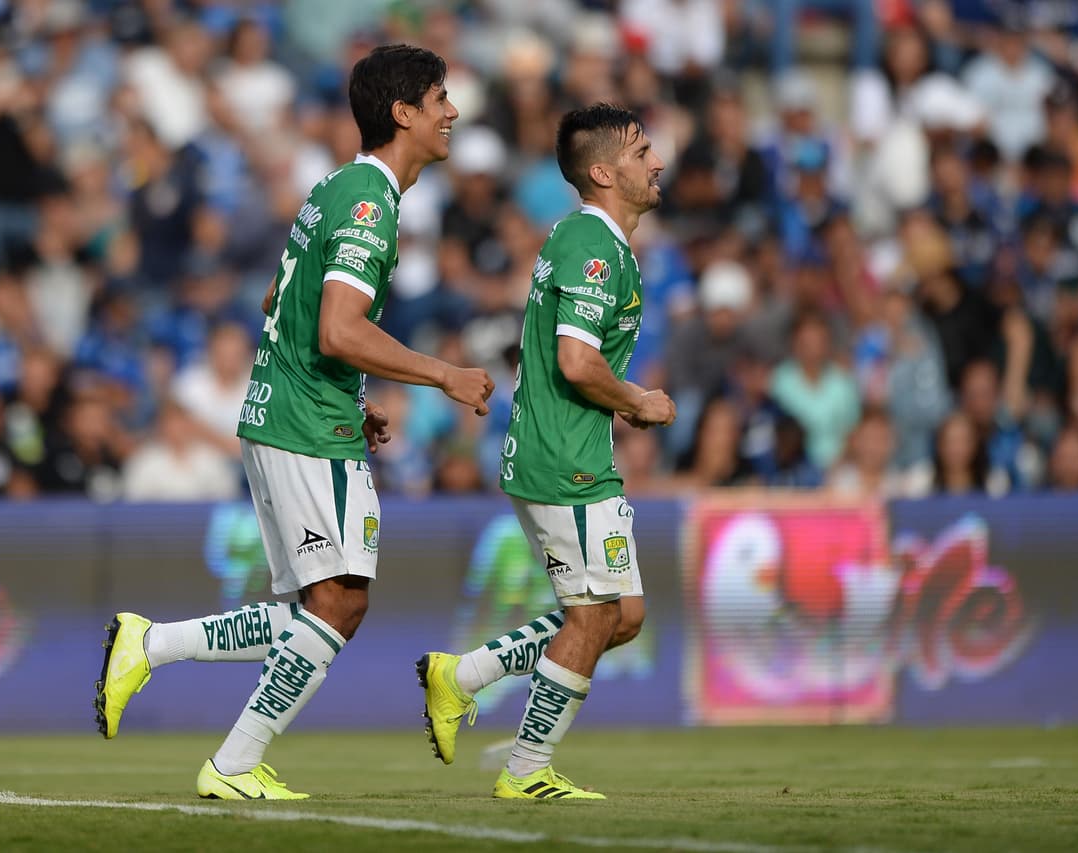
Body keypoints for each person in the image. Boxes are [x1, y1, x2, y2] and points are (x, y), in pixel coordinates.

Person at [93, 44, 494, 801]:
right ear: (403, 113)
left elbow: (285, 305)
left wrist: (355, 392)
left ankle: (152, 643)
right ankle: (233, 762)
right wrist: (441, 372)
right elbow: (338, 326)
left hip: (294, 410)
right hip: (305, 424)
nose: (453, 112)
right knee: (340, 603)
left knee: (318, 608)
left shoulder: (337, 190)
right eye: (441, 98)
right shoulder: (370, 203)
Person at [418, 104, 675, 800]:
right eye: (643, 149)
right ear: (603, 171)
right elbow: (576, 361)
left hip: (572, 451)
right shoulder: (590, 247)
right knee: (595, 617)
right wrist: (638, 400)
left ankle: (463, 675)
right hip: (566, 459)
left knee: (624, 615)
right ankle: (527, 769)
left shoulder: (601, 244)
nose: (657, 160)